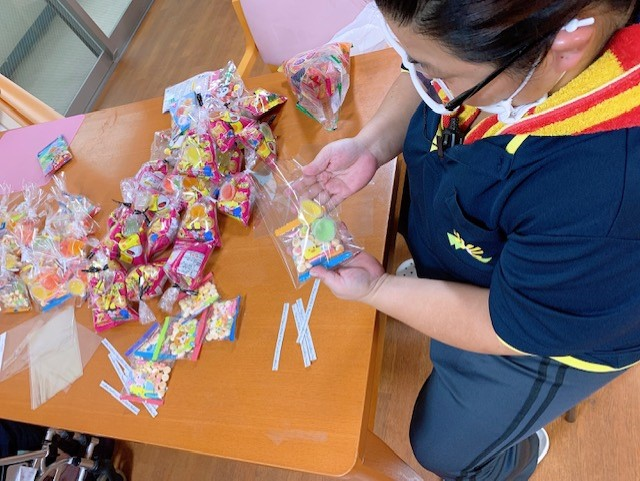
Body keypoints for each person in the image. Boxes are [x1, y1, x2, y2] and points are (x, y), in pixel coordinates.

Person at [301, 1, 640, 479]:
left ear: (567, 43)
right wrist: (371, 144)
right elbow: (432, 66)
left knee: (444, 449)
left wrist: (378, 290)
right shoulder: (502, 49)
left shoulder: (604, 198)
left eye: (437, 73)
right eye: (412, 60)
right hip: (474, 240)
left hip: (544, 332)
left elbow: (504, 324)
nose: (423, 81)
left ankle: (517, 451)